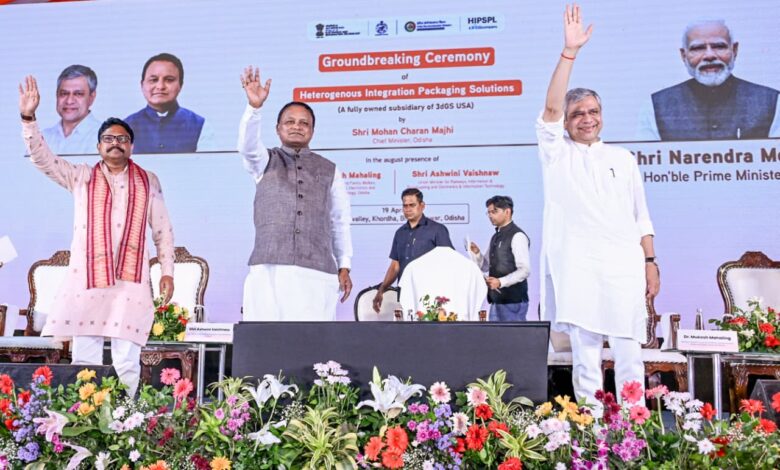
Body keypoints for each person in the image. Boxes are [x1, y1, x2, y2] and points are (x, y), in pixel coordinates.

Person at [19, 76, 175, 397]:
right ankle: (86, 420)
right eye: (108, 138)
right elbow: (43, 159)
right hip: (88, 281)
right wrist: (29, 118)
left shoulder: (149, 181)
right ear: (99, 146)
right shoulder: (81, 177)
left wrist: (168, 272)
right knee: (85, 360)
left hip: (130, 283)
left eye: (122, 138)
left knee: (127, 362)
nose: (115, 143)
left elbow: (162, 230)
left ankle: (127, 420)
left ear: (131, 146)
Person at [538, 5, 660, 406]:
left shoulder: (623, 159)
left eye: (593, 111)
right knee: (586, 358)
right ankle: (590, 431)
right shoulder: (557, 153)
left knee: (629, 355)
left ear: (602, 116)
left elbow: (641, 216)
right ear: (567, 122)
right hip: (578, 266)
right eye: (578, 114)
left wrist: (650, 262)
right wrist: (569, 53)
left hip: (623, 266)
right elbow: (551, 109)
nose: (586, 119)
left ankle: (634, 428)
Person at [238, 66, 353, 321]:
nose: (297, 127)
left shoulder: (330, 170)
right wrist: (254, 108)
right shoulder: (264, 161)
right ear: (278, 128)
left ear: (312, 130)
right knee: (267, 338)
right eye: (290, 122)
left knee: (312, 340)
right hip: (269, 270)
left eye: (304, 123)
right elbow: (247, 146)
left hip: (316, 272)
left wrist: (344, 264)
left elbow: (339, 220)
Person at [638, 19, 780, 141]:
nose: (709, 55)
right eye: (698, 48)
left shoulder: (772, 102)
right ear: (684, 55)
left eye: (719, 46)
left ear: (734, 50)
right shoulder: (655, 106)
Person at [372, 188, 453, 313]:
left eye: (412, 205)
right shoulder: (400, 233)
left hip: (431, 295)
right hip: (405, 294)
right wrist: (381, 290)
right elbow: (395, 266)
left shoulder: (437, 230)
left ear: (422, 206)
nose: (408, 209)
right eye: (405, 206)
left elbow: (450, 262)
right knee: (405, 326)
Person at [125, 53, 211, 153]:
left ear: (180, 85)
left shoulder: (200, 126)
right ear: (142, 85)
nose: (160, 86)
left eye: (169, 80)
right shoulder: (124, 127)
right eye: (153, 80)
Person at [469, 195, 531, 321]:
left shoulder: (517, 236)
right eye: (488, 212)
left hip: (513, 301)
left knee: (511, 334)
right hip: (496, 300)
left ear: (507, 212)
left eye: (494, 211)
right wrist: (477, 254)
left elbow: (525, 270)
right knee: (496, 334)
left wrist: (500, 282)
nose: (490, 215)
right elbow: (485, 266)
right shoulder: (495, 236)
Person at [42, 65, 102, 155]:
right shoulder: (43, 138)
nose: (69, 101)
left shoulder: (103, 137)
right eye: (64, 93)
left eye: (78, 94)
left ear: (91, 97)